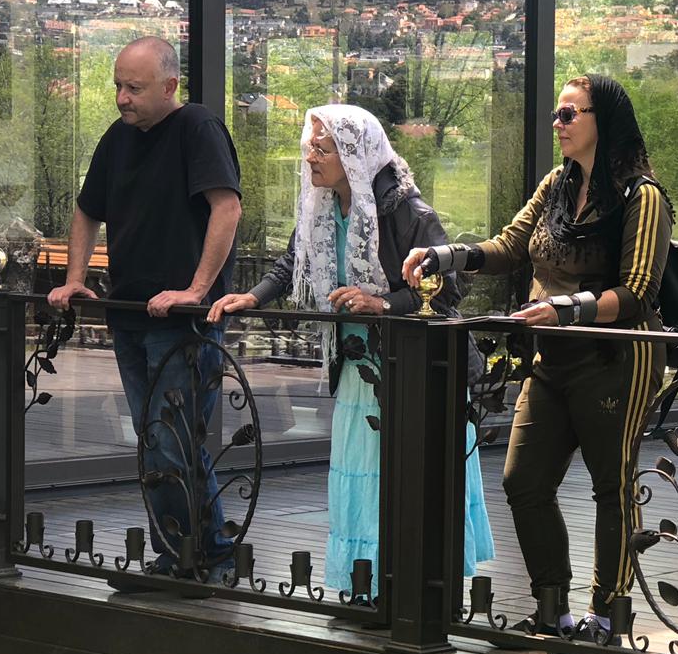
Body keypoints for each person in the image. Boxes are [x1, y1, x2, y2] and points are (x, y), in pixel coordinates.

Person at [403, 74, 672, 644]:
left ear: (603, 121)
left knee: (612, 486)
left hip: (615, 357)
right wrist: (442, 256)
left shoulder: (642, 196)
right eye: (556, 113)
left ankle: (608, 617)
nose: (558, 123)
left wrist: (565, 309)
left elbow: (638, 292)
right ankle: (554, 609)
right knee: (523, 481)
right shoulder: (558, 183)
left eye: (569, 114)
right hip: (552, 358)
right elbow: (508, 246)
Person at [208, 104, 493, 593]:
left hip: (414, 369)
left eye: (322, 149)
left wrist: (382, 303)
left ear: (354, 154)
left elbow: (447, 288)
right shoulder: (321, 206)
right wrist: (251, 298)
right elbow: (294, 261)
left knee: (405, 477)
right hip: (360, 368)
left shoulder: (407, 211)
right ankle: (367, 584)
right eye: (310, 147)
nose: (310, 158)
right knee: (360, 477)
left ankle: (409, 587)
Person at [48, 37, 242, 580]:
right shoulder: (117, 138)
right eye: (117, 86)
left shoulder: (197, 127)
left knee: (170, 438)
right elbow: (86, 212)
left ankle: (201, 556)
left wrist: (197, 290)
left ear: (170, 86)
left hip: (184, 322)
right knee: (156, 438)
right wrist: (75, 280)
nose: (122, 98)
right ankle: (187, 554)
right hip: (130, 313)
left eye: (133, 88)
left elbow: (226, 208)